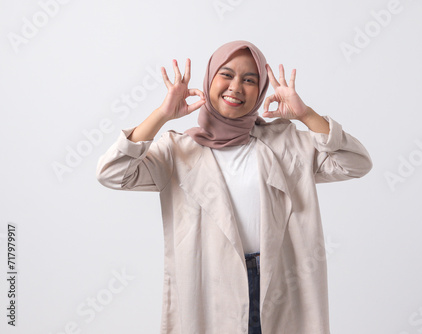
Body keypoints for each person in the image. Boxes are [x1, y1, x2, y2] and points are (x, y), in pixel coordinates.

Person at [96, 40, 372, 334]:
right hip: (212, 284)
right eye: (226, 74)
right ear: (210, 79)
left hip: (279, 281)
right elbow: (113, 173)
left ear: (261, 90)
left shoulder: (288, 143)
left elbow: (355, 163)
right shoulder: (177, 151)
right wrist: (161, 114)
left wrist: (306, 115)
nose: (236, 87)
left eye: (249, 80)